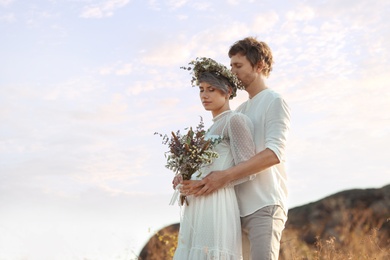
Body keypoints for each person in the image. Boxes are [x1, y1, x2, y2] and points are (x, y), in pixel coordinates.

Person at [181, 37, 291, 260]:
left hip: (264, 203)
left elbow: (274, 154)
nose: (232, 71)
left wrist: (223, 177)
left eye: (238, 66)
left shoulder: (274, 100)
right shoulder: (239, 111)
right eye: (231, 65)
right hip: (234, 209)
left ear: (259, 65)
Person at [173, 57, 256, 260]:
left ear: (227, 91)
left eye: (211, 89)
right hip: (198, 203)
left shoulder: (235, 120)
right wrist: (183, 176)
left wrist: (210, 183)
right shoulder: (209, 129)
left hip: (218, 202)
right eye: (201, 89)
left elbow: (249, 169)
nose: (204, 95)